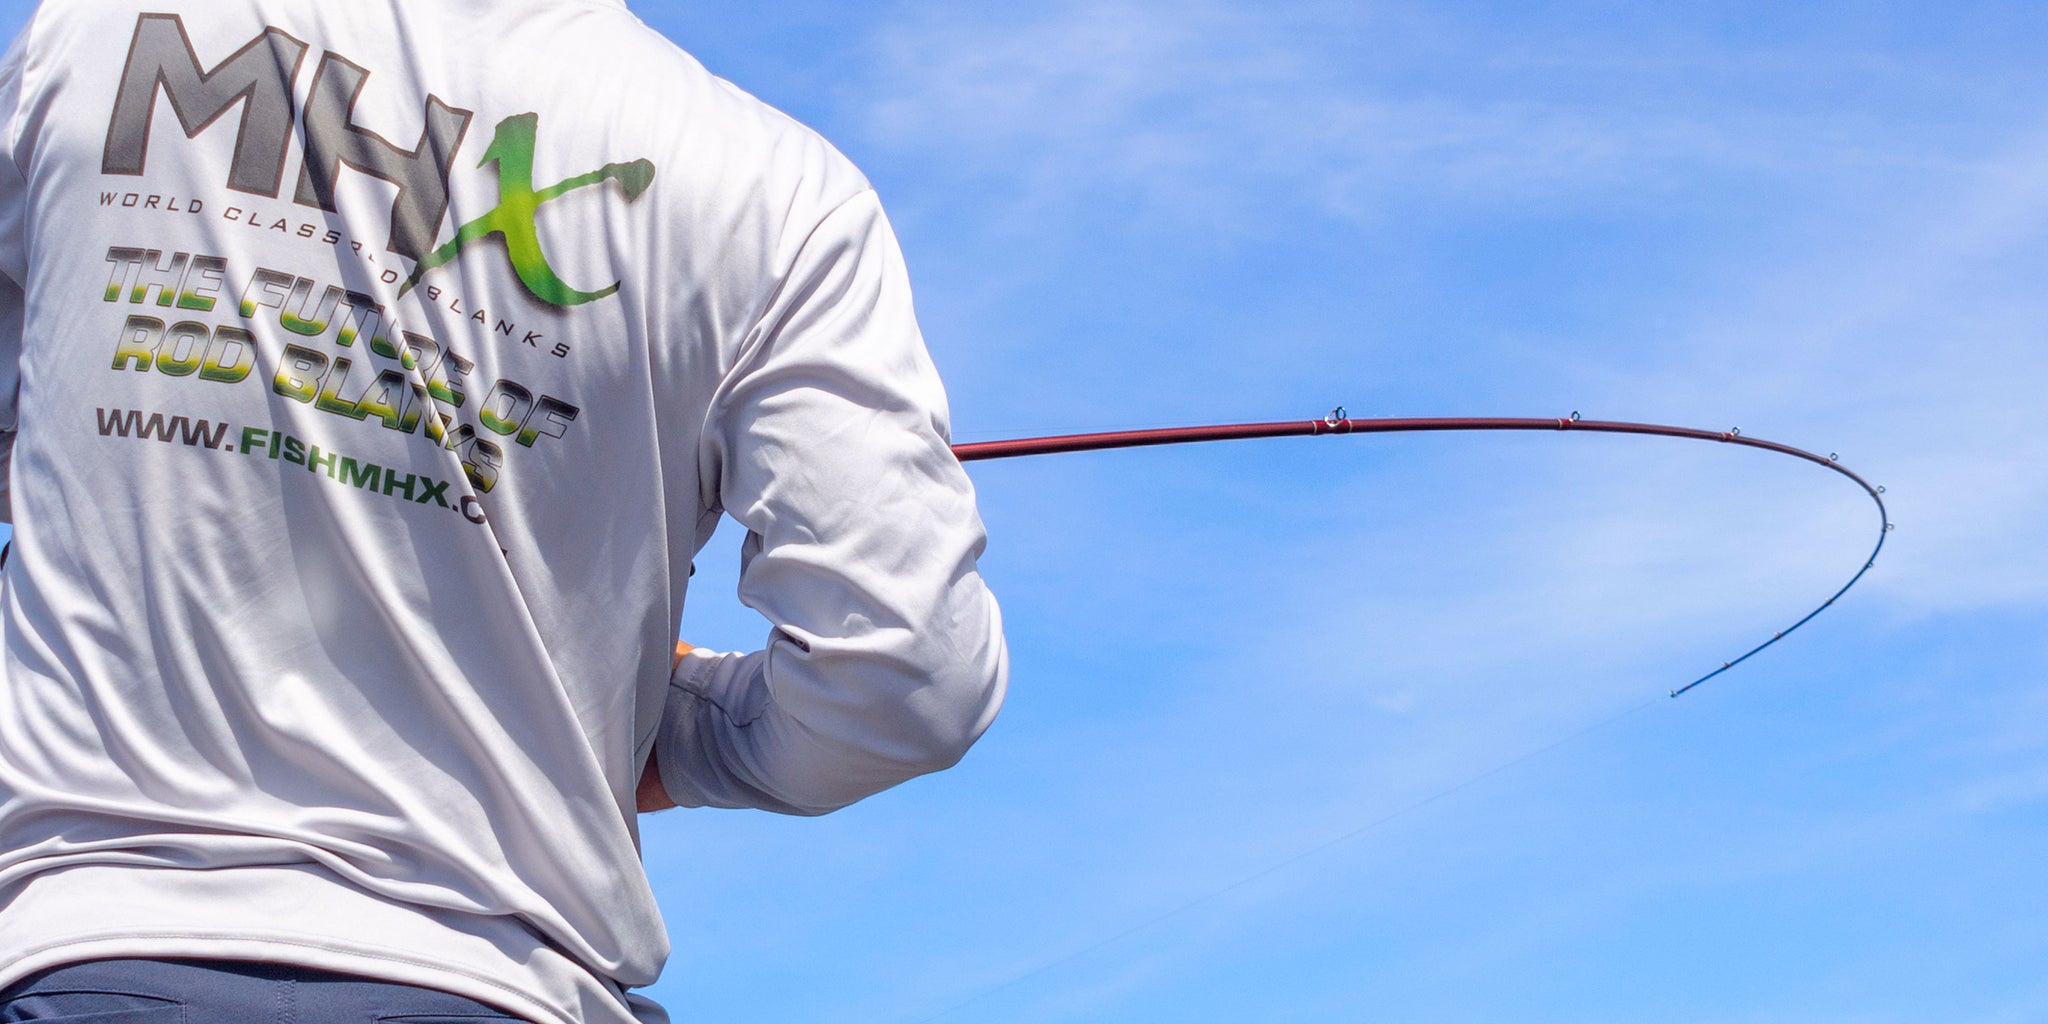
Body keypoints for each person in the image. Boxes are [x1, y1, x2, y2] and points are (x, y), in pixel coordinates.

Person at [0, 2, 1008, 1022]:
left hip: (79, 948)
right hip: (507, 980)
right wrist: (673, 729)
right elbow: (906, 679)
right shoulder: (778, 195)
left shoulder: (95, 29)